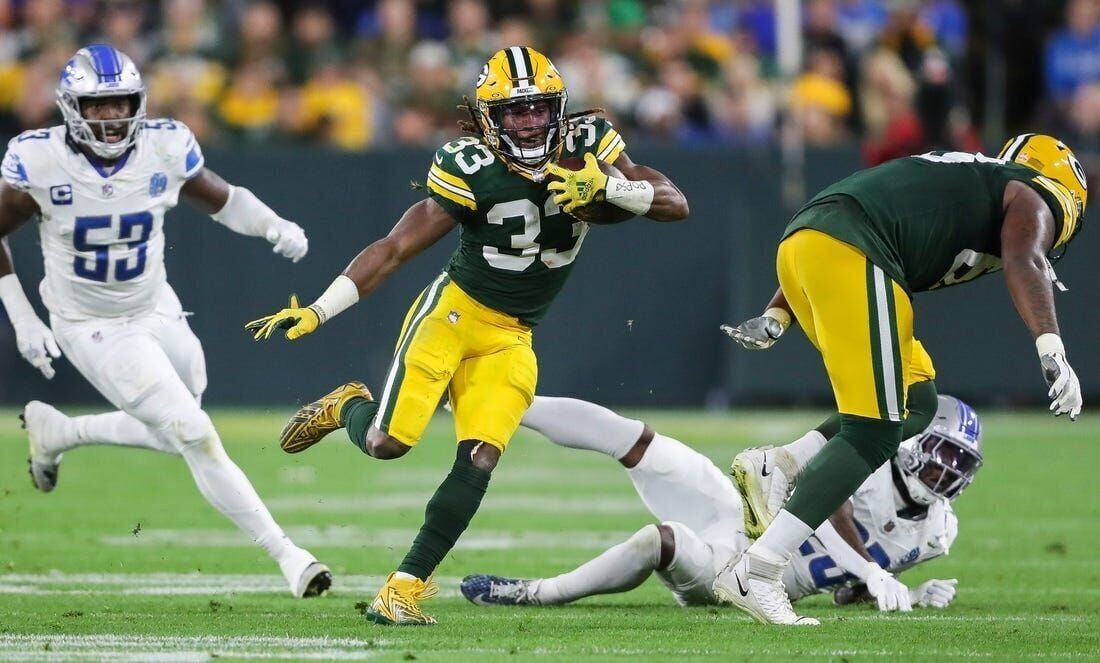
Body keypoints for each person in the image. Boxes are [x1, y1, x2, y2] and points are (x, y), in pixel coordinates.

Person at [246, 46, 689, 625]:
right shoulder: (468, 164)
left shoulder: (591, 144)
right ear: (488, 118)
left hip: (514, 335)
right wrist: (321, 310)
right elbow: (395, 248)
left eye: (537, 109)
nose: (529, 122)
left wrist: (611, 189)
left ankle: (401, 590)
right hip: (454, 315)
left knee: (479, 457)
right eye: (514, 112)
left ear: (558, 107)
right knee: (388, 444)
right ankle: (348, 406)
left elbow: (675, 203)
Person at [715, 135, 1086, 625]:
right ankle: (759, 571)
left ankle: (782, 463)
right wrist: (1052, 346)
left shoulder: (973, 180)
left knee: (918, 402)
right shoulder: (1036, 191)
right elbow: (1026, 258)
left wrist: (778, 314)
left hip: (812, 245)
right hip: (853, 252)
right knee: (874, 430)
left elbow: (849, 216)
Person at [0, 45, 328, 598]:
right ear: (71, 107)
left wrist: (273, 225)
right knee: (193, 432)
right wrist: (23, 318)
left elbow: (222, 200)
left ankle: (63, 432)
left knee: (181, 421)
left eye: (121, 103)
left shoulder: (163, 145)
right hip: (89, 324)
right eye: (98, 106)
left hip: (156, 305)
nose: (112, 117)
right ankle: (288, 555)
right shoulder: (40, 160)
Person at [459, 394, 974, 613]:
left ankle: (537, 593)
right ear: (912, 445)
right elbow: (826, 496)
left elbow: (844, 592)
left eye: (959, 463)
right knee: (641, 442)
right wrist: (868, 570)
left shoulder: (934, 535)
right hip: (741, 513)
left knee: (657, 541)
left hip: (743, 574)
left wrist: (905, 591)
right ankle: (503, 402)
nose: (946, 472)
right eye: (942, 455)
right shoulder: (873, 460)